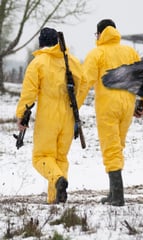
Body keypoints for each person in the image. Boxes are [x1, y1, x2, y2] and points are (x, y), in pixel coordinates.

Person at [15, 27, 87, 204]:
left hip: (48, 117)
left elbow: (29, 94)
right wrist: (74, 104)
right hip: (69, 117)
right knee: (60, 158)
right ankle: (55, 198)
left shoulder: (38, 63)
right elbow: (84, 84)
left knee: (41, 157)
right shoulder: (72, 61)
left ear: (41, 43)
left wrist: (21, 116)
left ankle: (57, 180)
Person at [83, 19, 143, 206]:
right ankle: (113, 193)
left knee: (111, 149)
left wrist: (74, 107)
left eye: (96, 34)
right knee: (117, 147)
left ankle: (117, 196)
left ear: (100, 33)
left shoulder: (97, 54)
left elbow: (84, 82)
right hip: (126, 107)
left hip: (107, 108)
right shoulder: (130, 52)